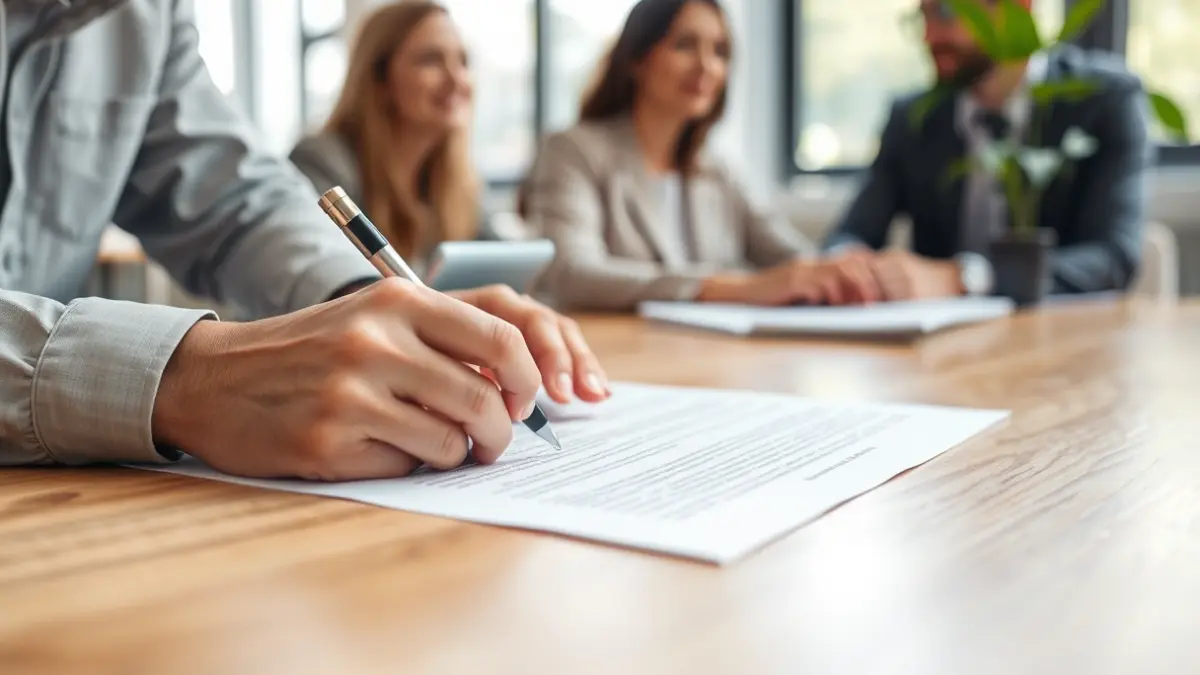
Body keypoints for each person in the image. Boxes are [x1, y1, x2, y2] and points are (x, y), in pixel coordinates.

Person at [0, 0, 608, 480]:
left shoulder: (145, 14)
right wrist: (179, 377)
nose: (455, 80)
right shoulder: (329, 155)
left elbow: (233, 199)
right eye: (430, 59)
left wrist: (370, 304)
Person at [519, 0, 878, 312]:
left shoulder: (718, 169)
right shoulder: (573, 149)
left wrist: (839, 270)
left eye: (720, 51)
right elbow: (570, 271)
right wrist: (726, 287)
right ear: (637, 59)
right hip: (614, 356)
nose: (707, 66)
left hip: (704, 354)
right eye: (685, 45)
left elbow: (788, 256)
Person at [824, 0, 1151, 300]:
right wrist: (846, 267)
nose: (929, 36)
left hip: (1058, 342)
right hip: (935, 350)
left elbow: (1113, 257)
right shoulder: (913, 118)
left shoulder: (1103, 100)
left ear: (1018, 8)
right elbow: (851, 233)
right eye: (922, 16)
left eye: (947, 13)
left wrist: (964, 279)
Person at [290, 1, 491, 277]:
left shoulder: (456, 181)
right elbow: (328, 284)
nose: (457, 79)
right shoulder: (323, 162)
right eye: (431, 60)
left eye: (464, 61)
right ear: (380, 79)